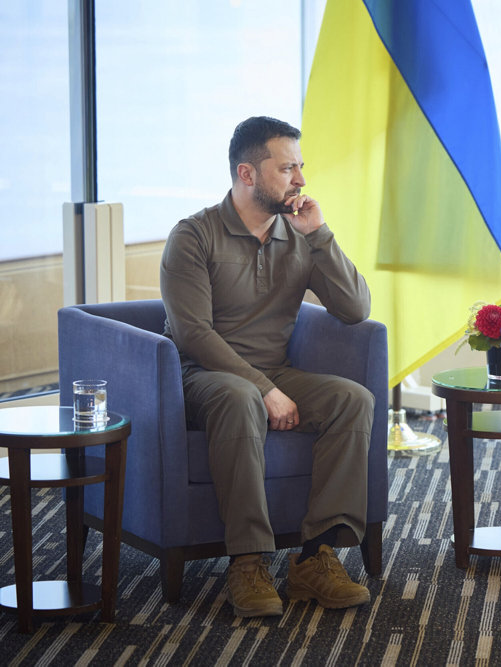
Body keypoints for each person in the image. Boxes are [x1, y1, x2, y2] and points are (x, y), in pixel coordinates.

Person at [160, 116, 374, 618]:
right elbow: (193, 334)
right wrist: (262, 389)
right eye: (287, 168)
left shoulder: (298, 232)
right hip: (201, 376)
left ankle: (315, 558)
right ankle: (247, 561)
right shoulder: (193, 236)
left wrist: (319, 235)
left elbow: (355, 309)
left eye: (300, 167)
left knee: (353, 401)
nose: (300, 179)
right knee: (239, 398)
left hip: (272, 370)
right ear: (248, 174)